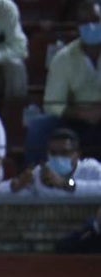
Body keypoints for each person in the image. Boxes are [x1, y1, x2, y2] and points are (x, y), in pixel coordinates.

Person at [25, 1, 101, 166]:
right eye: (84, 22)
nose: (91, 26)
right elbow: (52, 104)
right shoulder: (63, 58)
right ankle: (35, 182)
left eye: (95, 20)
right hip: (76, 120)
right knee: (38, 127)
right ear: (77, 26)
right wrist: (82, 113)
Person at [0, 127, 101, 196]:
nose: (58, 157)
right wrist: (16, 185)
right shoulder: (41, 172)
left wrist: (65, 183)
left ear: (77, 154)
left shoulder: (90, 168)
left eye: (64, 153)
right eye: (53, 153)